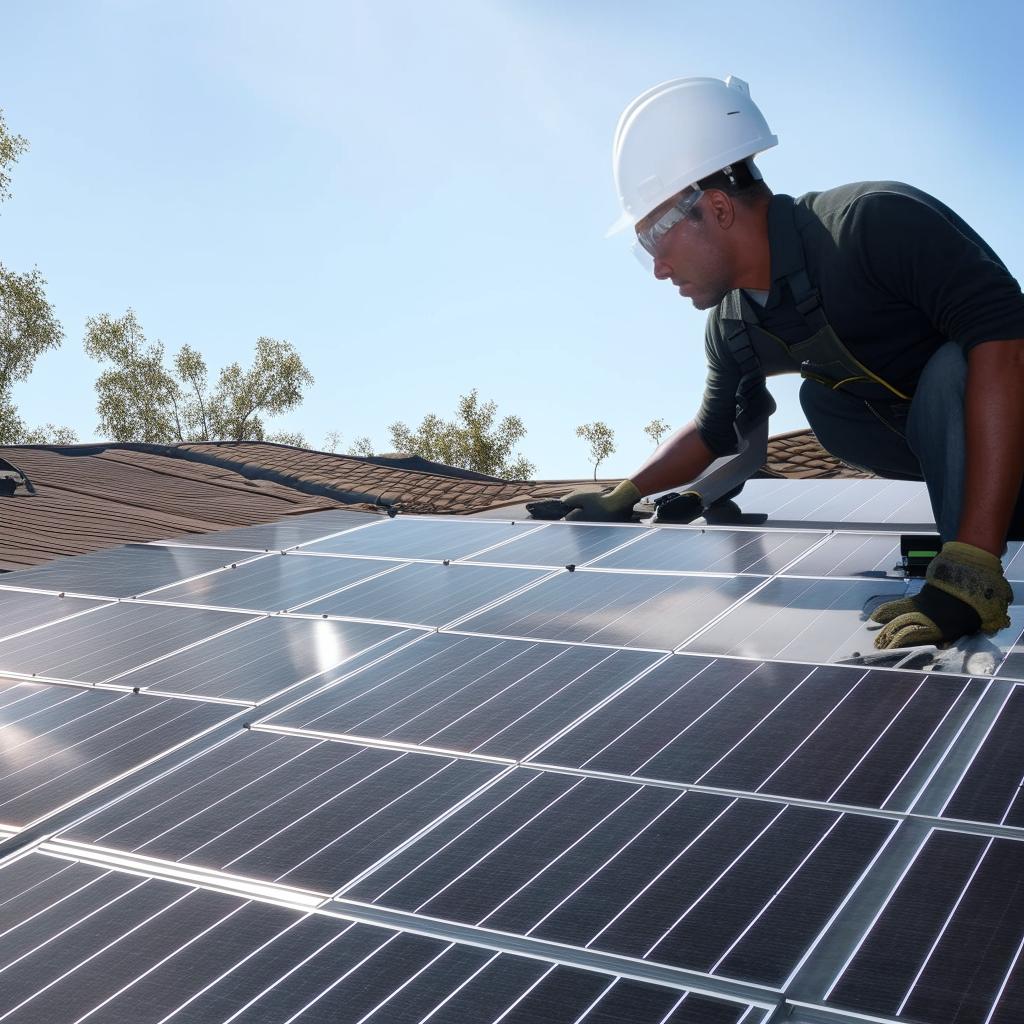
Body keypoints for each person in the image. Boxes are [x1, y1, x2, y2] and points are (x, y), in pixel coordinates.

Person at [561, 76, 1024, 651]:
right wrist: (624, 493)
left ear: (718, 207)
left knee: (955, 367)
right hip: (963, 465)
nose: (657, 268)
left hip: (1009, 428)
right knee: (823, 404)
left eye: (655, 241)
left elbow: (1006, 347)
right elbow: (713, 433)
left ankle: (972, 560)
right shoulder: (735, 323)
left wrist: (970, 563)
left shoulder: (873, 225)